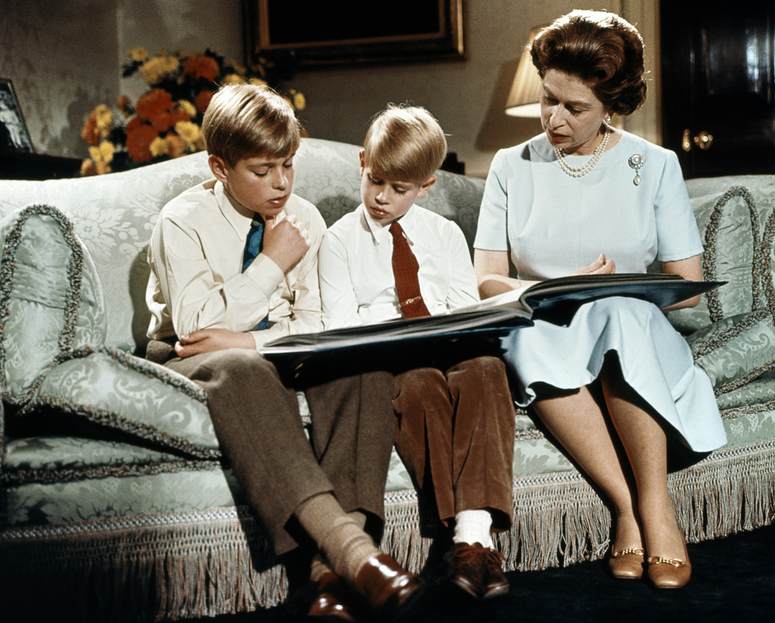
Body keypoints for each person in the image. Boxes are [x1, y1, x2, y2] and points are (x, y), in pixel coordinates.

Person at [145, 84, 425, 622]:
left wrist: (249, 337)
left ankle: (326, 578)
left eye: (288, 165)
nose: (281, 183)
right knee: (238, 369)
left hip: (267, 345)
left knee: (362, 365)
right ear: (220, 167)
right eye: (262, 170)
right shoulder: (182, 220)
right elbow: (197, 328)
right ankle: (356, 556)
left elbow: (317, 323)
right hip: (190, 353)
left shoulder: (306, 217)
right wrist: (273, 261)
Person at [473, 10, 727, 589]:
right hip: (546, 323)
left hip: (631, 326)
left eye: (575, 107)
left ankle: (659, 506)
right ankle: (629, 509)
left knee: (619, 309)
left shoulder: (656, 164)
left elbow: (685, 283)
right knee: (519, 333)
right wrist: (547, 290)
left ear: (611, 104)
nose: (554, 119)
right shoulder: (512, 167)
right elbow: (486, 279)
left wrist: (617, 289)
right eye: (547, 100)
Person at [319, 105, 517, 601]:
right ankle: (472, 547)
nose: (382, 197)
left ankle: (469, 543)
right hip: (394, 358)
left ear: (426, 186)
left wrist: (453, 325)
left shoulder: (444, 234)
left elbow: (466, 309)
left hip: (451, 344)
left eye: (399, 189)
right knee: (422, 385)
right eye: (375, 180)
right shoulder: (339, 240)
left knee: (487, 368)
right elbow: (342, 324)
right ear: (362, 163)